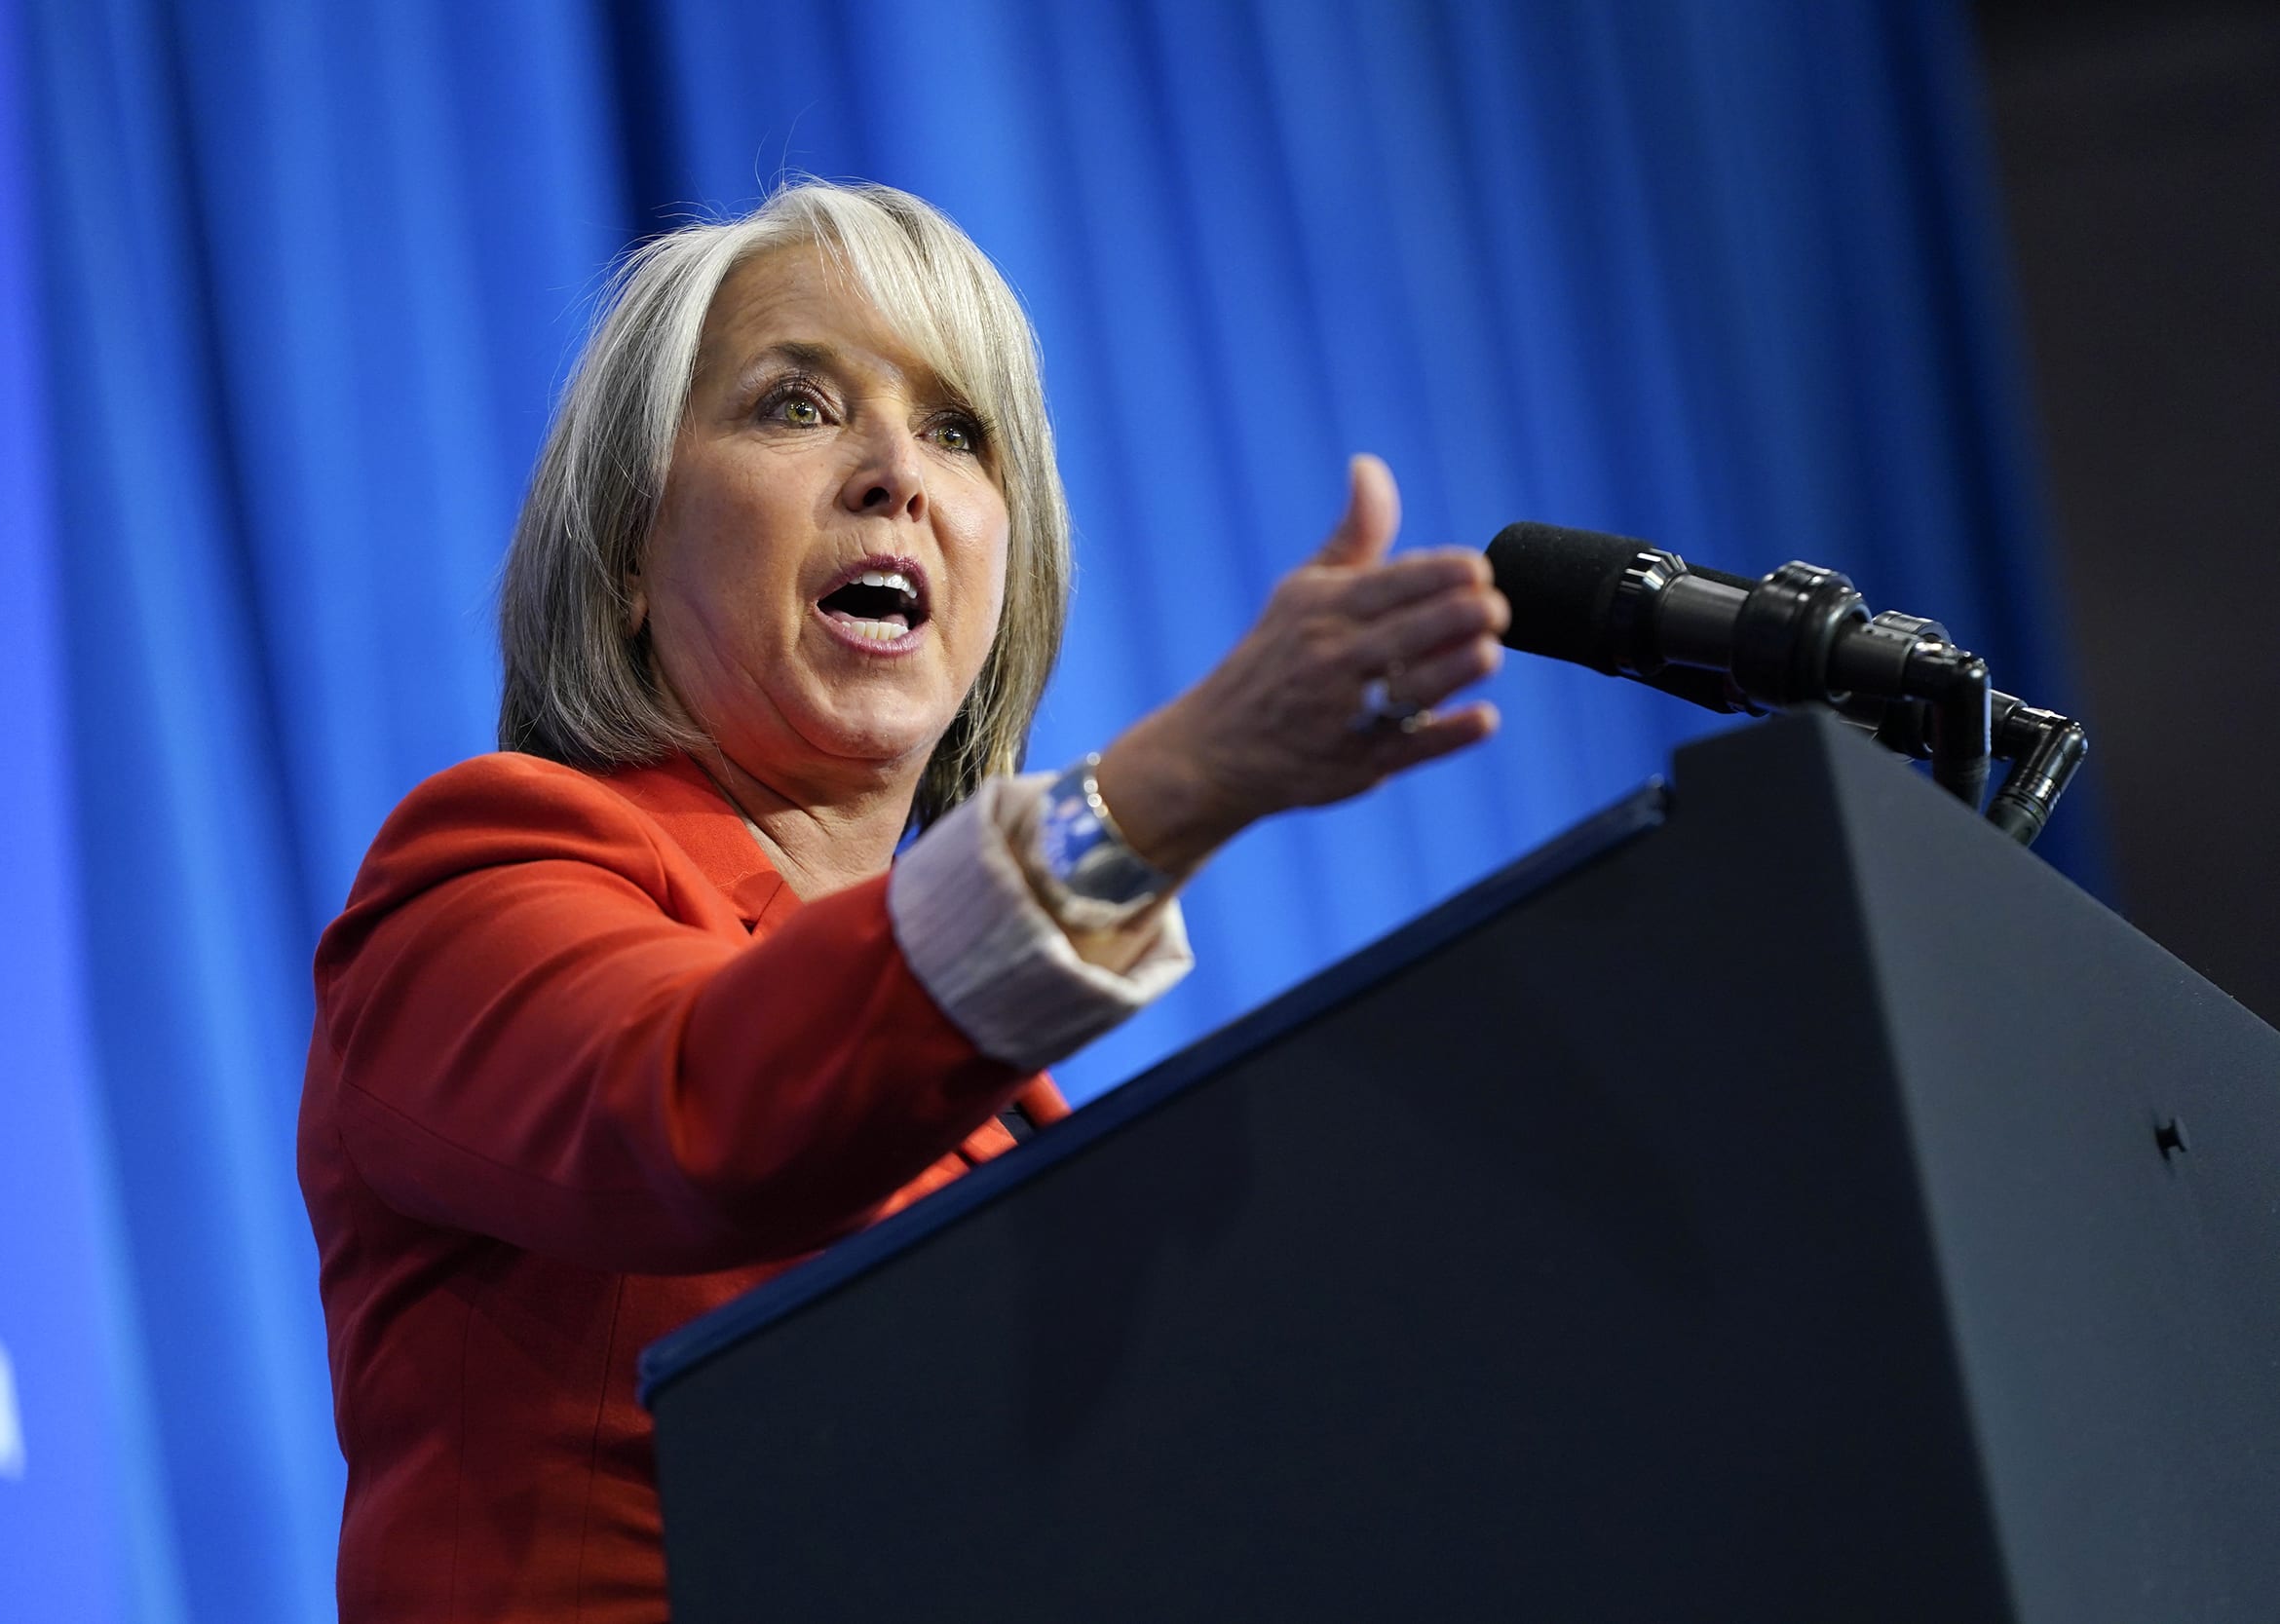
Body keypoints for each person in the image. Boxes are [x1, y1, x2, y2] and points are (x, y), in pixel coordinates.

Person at [298, 180, 1510, 1622]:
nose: (896, 474)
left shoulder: (1004, 1118)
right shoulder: (473, 884)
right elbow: (706, 1115)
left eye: (957, 431)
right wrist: (1172, 789)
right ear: (630, 555)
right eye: (795, 406)